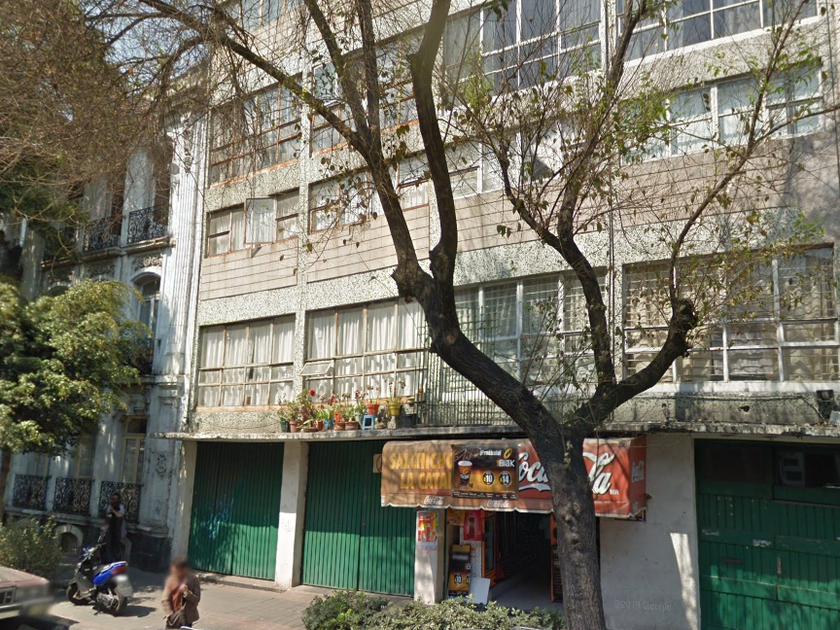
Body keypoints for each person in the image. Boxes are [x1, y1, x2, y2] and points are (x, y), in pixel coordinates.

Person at [162, 557, 201, 629]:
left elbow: (197, 599)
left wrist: (186, 592)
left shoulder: (193, 579)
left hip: (187, 617)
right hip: (172, 617)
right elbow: (165, 599)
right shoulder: (171, 579)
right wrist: (168, 613)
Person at [106, 493, 127, 561]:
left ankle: (116, 559)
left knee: (116, 545)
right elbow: (108, 516)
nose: (114, 500)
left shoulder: (120, 506)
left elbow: (119, 515)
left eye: (115, 499)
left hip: (118, 529)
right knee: (108, 545)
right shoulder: (110, 506)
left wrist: (113, 510)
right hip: (110, 530)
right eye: (113, 499)